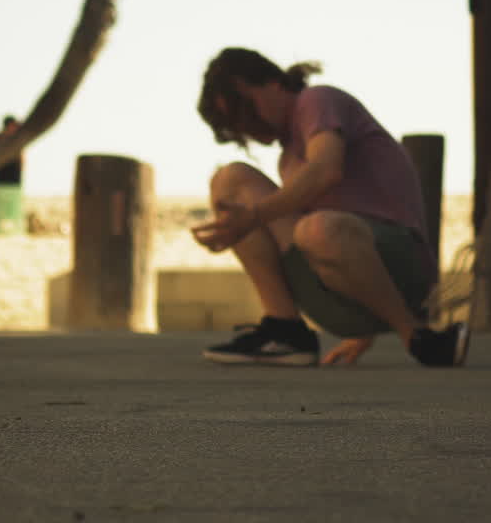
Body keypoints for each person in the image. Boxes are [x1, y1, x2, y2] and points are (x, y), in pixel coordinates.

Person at [190, 47, 469, 368]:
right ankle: (285, 331)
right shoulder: (288, 159)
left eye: (243, 110)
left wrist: (251, 219)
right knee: (231, 181)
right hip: (343, 293)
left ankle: (419, 336)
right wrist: (362, 330)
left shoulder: (317, 102)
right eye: (233, 126)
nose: (245, 128)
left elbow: (326, 171)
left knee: (316, 229)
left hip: (405, 273)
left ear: (273, 82)